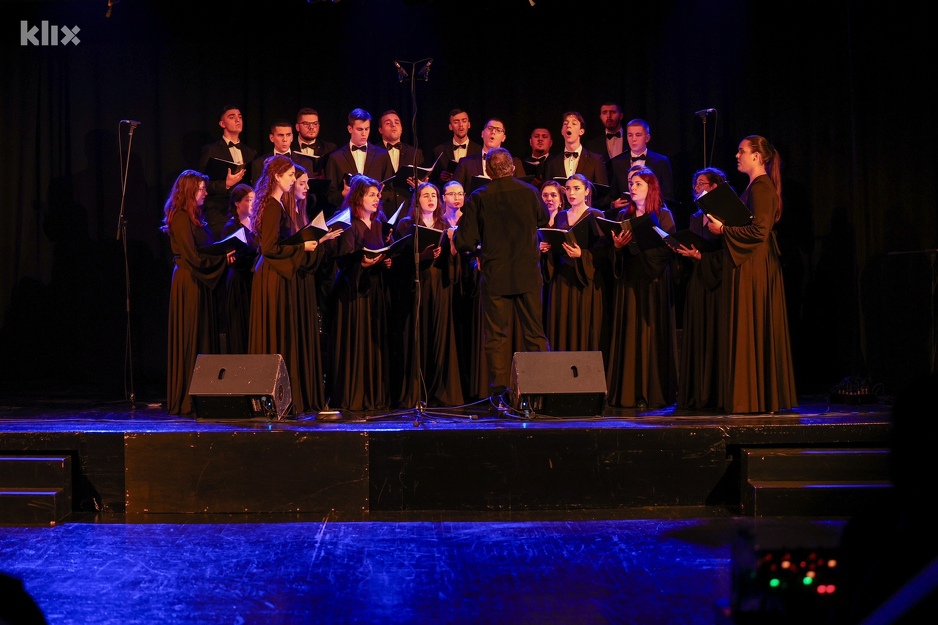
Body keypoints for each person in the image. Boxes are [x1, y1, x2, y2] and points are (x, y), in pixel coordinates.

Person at [705, 135, 797, 413]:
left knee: (752, 324)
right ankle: (750, 395)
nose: (737, 155)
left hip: (755, 267)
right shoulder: (755, 186)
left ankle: (756, 397)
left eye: (741, 151)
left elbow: (759, 232)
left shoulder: (761, 187)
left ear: (757, 156)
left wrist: (722, 230)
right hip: (747, 264)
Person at [453, 147, 548, 397]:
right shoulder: (530, 192)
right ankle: (541, 390)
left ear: (487, 171)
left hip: (495, 274)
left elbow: (464, 241)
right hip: (527, 273)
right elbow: (544, 219)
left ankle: (500, 394)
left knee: (496, 336)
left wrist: (477, 252)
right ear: (513, 168)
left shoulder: (479, 197)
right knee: (535, 334)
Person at [247, 155, 322, 416]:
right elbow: (269, 249)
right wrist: (303, 246)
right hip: (273, 276)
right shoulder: (273, 206)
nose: (294, 179)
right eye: (290, 175)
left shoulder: (275, 203)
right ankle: (273, 399)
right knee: (276, 332)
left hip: (276, 274)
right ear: (277, 177)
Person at [606, 166, 679, 410]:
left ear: (650, 187)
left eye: (638, 183)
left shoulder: (664, 215)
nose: (632, 187)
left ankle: (653, 392)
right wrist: (618, 247)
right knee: (629, 332)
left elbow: (668, 251)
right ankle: (628, 392)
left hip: (654, 281)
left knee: (650, 335)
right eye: (630, 183)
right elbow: (614, 252)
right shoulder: (622, 216)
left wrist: (639, 245)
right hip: (630, 280)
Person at [161, 170, 231, 415]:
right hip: (189, 280)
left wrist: (223, 255)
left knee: (201, 332)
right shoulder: (180, 217)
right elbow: (192, 256)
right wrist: (221, 259)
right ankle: (188, 398)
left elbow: (204, 251)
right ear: (190, 191)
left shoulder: (194, 217)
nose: (205, 193)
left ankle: (202, 394)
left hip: (199, 279)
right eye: (201, 189)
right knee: (191, 333)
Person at [393, 181, 464, 408]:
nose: (431, 199)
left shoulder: (444, 223)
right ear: (417, 200)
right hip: (418, 285)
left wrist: (452, 246)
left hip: (440, 285)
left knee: (439, 337)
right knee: (417, 335)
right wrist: (421, 257)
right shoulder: (406, 224)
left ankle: (440, 392)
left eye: (434, 195)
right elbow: (397, 259)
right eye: (426, 195)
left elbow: (453, 260)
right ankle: (414, 393)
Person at [331, 175, 395, 411]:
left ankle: (375, 395)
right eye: (371, 195)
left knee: (375, 342)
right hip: (354, 294)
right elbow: (344, 261)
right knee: (357, 342)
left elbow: (384, 252)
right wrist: (363, 264)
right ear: (358, 197)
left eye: (377, 195)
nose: (377, 199)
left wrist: (385, 262)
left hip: (375, 290)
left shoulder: (379, 224)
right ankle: (355, 395)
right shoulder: (349, 223)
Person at [281, 162, 341, 412]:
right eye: (302, 182)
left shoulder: (301, 210)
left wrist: (322, 238)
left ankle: (308, 394)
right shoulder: (285, 212)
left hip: (305, 281)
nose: (306, 188)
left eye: (306, 183)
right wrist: (311, 243)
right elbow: (285, 249)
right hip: (292, 280)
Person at [672, 168, 728, 409]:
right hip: (698, 278)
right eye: (695, 184)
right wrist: (686, 252)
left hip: (720, 280)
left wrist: (702, 256)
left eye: (702, 183)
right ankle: (698, 391)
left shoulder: (727, 214)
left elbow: (730, 248)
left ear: (715, 187)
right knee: (698, 331)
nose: (697, 188)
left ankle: (717, 392)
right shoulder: (696, 217)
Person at [539, 174, 607, 353]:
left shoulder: (596, 215)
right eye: (568, 189)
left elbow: (603, 252)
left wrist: (582, 254)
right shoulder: (561, 216)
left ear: (586, 191)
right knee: (562, 327)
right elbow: (555, 245)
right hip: (562, 281)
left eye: (576, 188)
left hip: (585, 282)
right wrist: (547, 249)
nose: (571, 193)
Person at [197, 105, 257, 240]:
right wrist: (226, 184)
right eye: (232, 117)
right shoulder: (211, 150)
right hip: (219, 213)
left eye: (240, 117)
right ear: (222, 123)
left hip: (244, 213)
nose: (238, 120)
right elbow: (201, 183)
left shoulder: (250, 152)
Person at [324, 108, 394, 215]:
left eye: (367, 129)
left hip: (374, 216)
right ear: (350, 129)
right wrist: (343, 194)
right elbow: (330, 195)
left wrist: (379, 195)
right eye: (360, 129)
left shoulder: (382, 155)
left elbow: (390, 190)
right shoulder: (335, 158)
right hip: (347, 215)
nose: (364, 134)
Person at [542, 111, 610, 211]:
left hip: (586, 214)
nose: (568, 126)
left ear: (581, 131)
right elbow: (547, 190)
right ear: (562, 131)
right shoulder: (552, 161)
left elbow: (602, 193)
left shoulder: (595, 160)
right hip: (560, 216)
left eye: (574, 123)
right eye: (565, 124)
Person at [219, 183, 257, 355]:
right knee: (241, 323)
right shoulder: (231, 227)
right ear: (237, 203)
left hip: (253, 280)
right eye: (248, 200)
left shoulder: (255, 223)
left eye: (253, 200)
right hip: (239, 280)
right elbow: (235, 256)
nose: (252, 204)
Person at [608, 118, 676, 213]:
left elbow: (668, 196)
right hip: (626, 215)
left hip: (653, 214)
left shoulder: (661, 161)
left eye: (638, 135)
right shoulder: (617, 162)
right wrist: (613, 204)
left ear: (647, 138)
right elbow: (612, 195)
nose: (633, 139)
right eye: (630, 135)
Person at [453, 118, 526, 192]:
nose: (493, 132)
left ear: (503, 138)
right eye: (490, 128)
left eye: (498, 130)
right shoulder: (466, 163)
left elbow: (523, 191)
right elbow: (455, 191)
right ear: (482, 133)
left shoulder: (515, 163)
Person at [378, 109, 425, 213]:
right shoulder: (373, 153)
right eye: (388, 123)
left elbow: (422, 181)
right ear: (380, 130)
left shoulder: (415, 153)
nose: (393, 125)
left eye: (397, 122)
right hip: (381, 210)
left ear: (402, 128)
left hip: (408, 209)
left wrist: (422, 184)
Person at [250, 119, 315, 193]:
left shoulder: (305, 163)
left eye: (288, 135)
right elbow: (256, 193)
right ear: (271, 138)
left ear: (292, 137)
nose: (285, 139)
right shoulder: (259, 163)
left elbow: (309, 193)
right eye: (280, 135)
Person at [432, 108, 482, 187]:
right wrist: (441, 179)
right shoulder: (440, 150)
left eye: (464, 121)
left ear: (469, 124)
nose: (461, 125)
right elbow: (433, 181)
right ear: (450, 126)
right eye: (456, 122)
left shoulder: (479, 150)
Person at [585, 101, 626, 177]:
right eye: (604, 113)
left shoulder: (632, 140)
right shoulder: (592, 145)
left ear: (621, 116)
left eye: (613, 112)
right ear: (600, 117)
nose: (608, 116)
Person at [293, 107, 336, 178]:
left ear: (319, 126)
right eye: (306, 123)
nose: (311, 127)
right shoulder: (289, 148)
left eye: (315, 123)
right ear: (297, 127)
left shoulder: (330, 148)